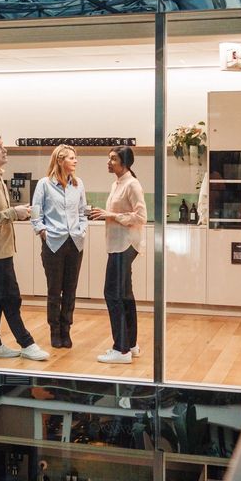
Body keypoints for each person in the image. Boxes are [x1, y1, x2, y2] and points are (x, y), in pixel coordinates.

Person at [0, 131, 49, 361]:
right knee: (11, 296)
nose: (4, 149)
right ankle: (26, 343)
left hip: (2, 248)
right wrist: (13, 213)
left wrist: (17, 212)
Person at [90, 145, 147, 364]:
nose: (109, 161)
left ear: (124, 162)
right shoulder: (117, 183)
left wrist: (110, 215)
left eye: (113, 159)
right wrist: (109, 215)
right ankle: (130, 345)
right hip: (118, 245)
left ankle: (120, 348)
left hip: (125, 245)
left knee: (112, 294)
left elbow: (141, 217)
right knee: (124, 295)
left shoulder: (132, 184)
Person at [31, 144, 88, 348]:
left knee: (70, 289)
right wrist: (42, 232)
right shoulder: (44, 184)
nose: (75, 161)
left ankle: (66, 329)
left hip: (74, 242)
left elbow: (82, 212)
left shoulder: (78, 184)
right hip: (53, 243)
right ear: (59, 160)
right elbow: (36, 213)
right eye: (71, 158)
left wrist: (82, 230)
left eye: (75, 157)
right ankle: (55, 330)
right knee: (54, 290)